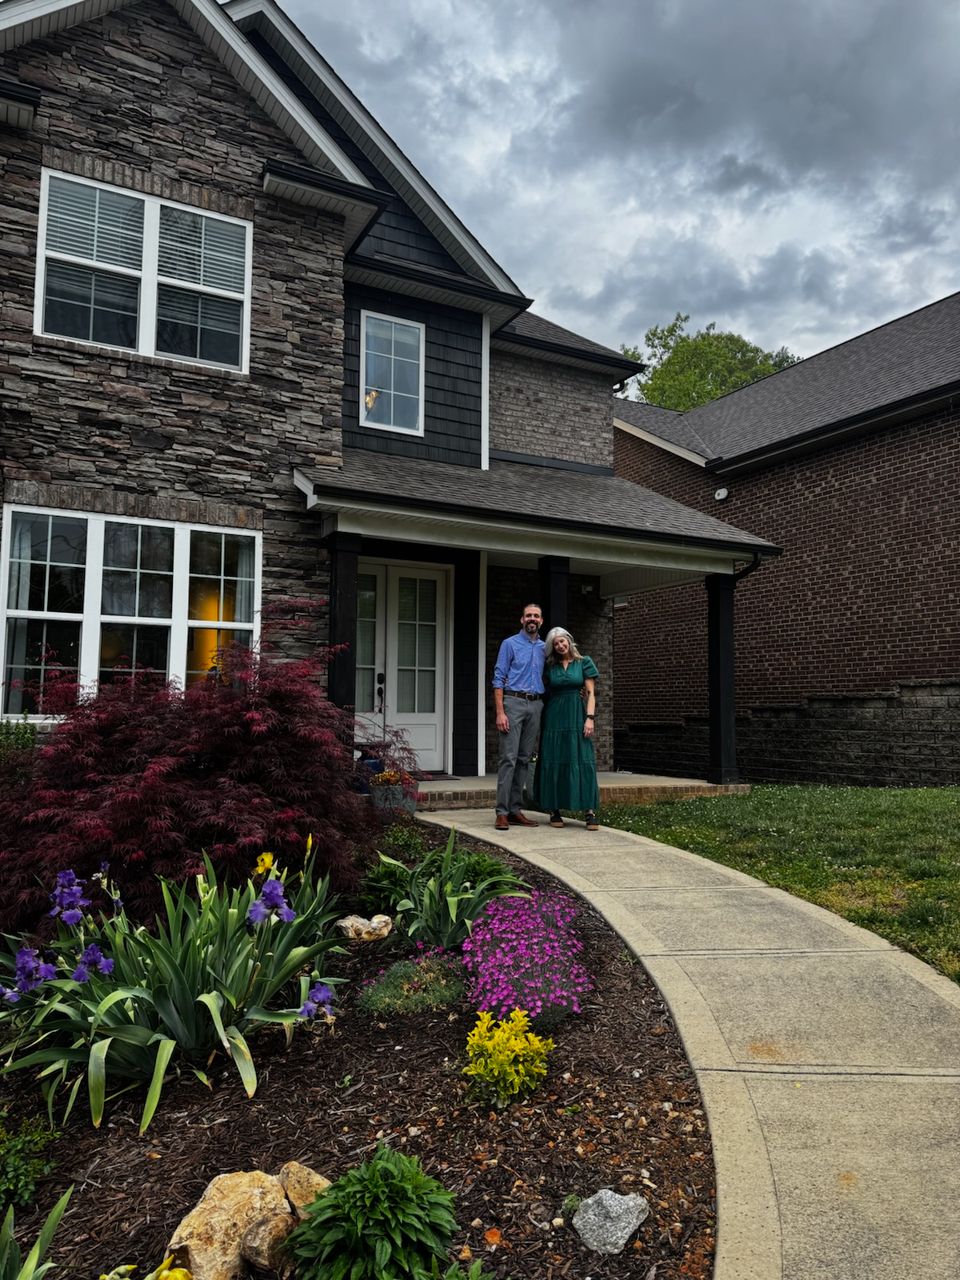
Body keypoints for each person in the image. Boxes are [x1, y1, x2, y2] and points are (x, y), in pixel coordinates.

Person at [534, 627, 600, 831]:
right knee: (554, 758)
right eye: (556, 644)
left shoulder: (584, 662)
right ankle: (554, 810)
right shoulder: (550, 666)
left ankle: (589, 812)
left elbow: (590, 693)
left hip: (577, 715)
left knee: (582, 758)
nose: (560, 646)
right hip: (554, 716)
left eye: (562, 641)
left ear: (569, 641)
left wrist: (589, 718)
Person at [491, 602, 546, 831]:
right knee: (509, 759)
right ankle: (501, 812)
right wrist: (500, 711)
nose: (532, 619)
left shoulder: (546, 647)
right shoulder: (509, 644)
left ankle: (515, 809)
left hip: (536, 705)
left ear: (541, 621)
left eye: (536, 616)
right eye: (528, 616)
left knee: (524, 759)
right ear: (522, 620)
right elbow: (498, 678)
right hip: (513, 703)